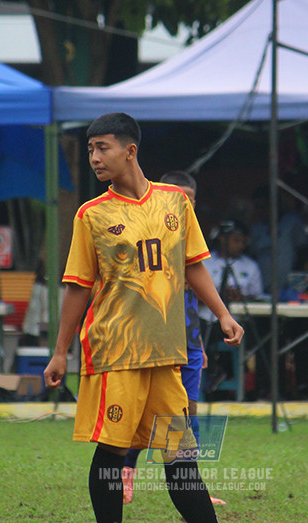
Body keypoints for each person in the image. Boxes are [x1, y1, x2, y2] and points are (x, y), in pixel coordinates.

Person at [43, 112, 244, 523]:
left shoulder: (175, 201)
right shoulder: (91, 215)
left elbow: (192, 265)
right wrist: (60, 351)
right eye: (90, 150)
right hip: (116, 354)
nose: (94, 158)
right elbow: (78, 287)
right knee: (113, 452)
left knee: (180, 455)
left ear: (130, 151)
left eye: (102, 148)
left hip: (166, 355)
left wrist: (222, 313)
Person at [122, 170, 226, 507]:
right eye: (176, 197)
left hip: (188, 343)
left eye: (188, 199)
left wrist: (198, 344)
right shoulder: (148, 234)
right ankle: (125, 471)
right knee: (144, 413)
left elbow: (191, 295)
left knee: (188, 416)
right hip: (152, 343)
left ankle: (193, 489)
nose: (182, 204)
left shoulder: (191, 238)